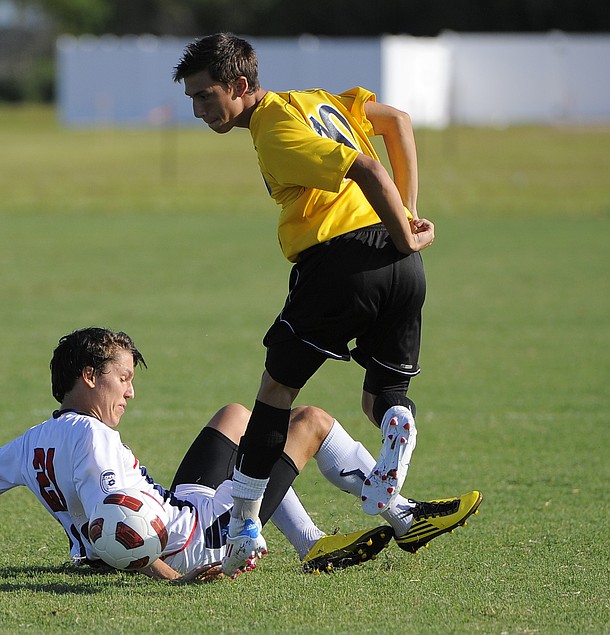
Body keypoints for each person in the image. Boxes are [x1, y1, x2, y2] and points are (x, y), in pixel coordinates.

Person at [173, 33, 483, 575]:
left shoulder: (273, 131)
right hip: (403, 268)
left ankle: (245, 524)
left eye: (205, 96)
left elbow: (365, 166)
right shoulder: (318, 99)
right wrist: (405, 220)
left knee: (275, 392)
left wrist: (404, 232)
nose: (198, 110)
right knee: (382, 396)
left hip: (344, 264)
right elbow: (398, 122)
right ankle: (398, 481)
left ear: (241, 86)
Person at [0, 327, 478, 580]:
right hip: (201, 540)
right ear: (89, 378)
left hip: (178, 509)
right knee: (312, 422)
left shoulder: (36, 438)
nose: (131, 392)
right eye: (122, 379)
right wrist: (173, 581)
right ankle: (399, 514)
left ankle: (318, 542)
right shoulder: (94, 439)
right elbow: (126, 530)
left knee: (238, 418)